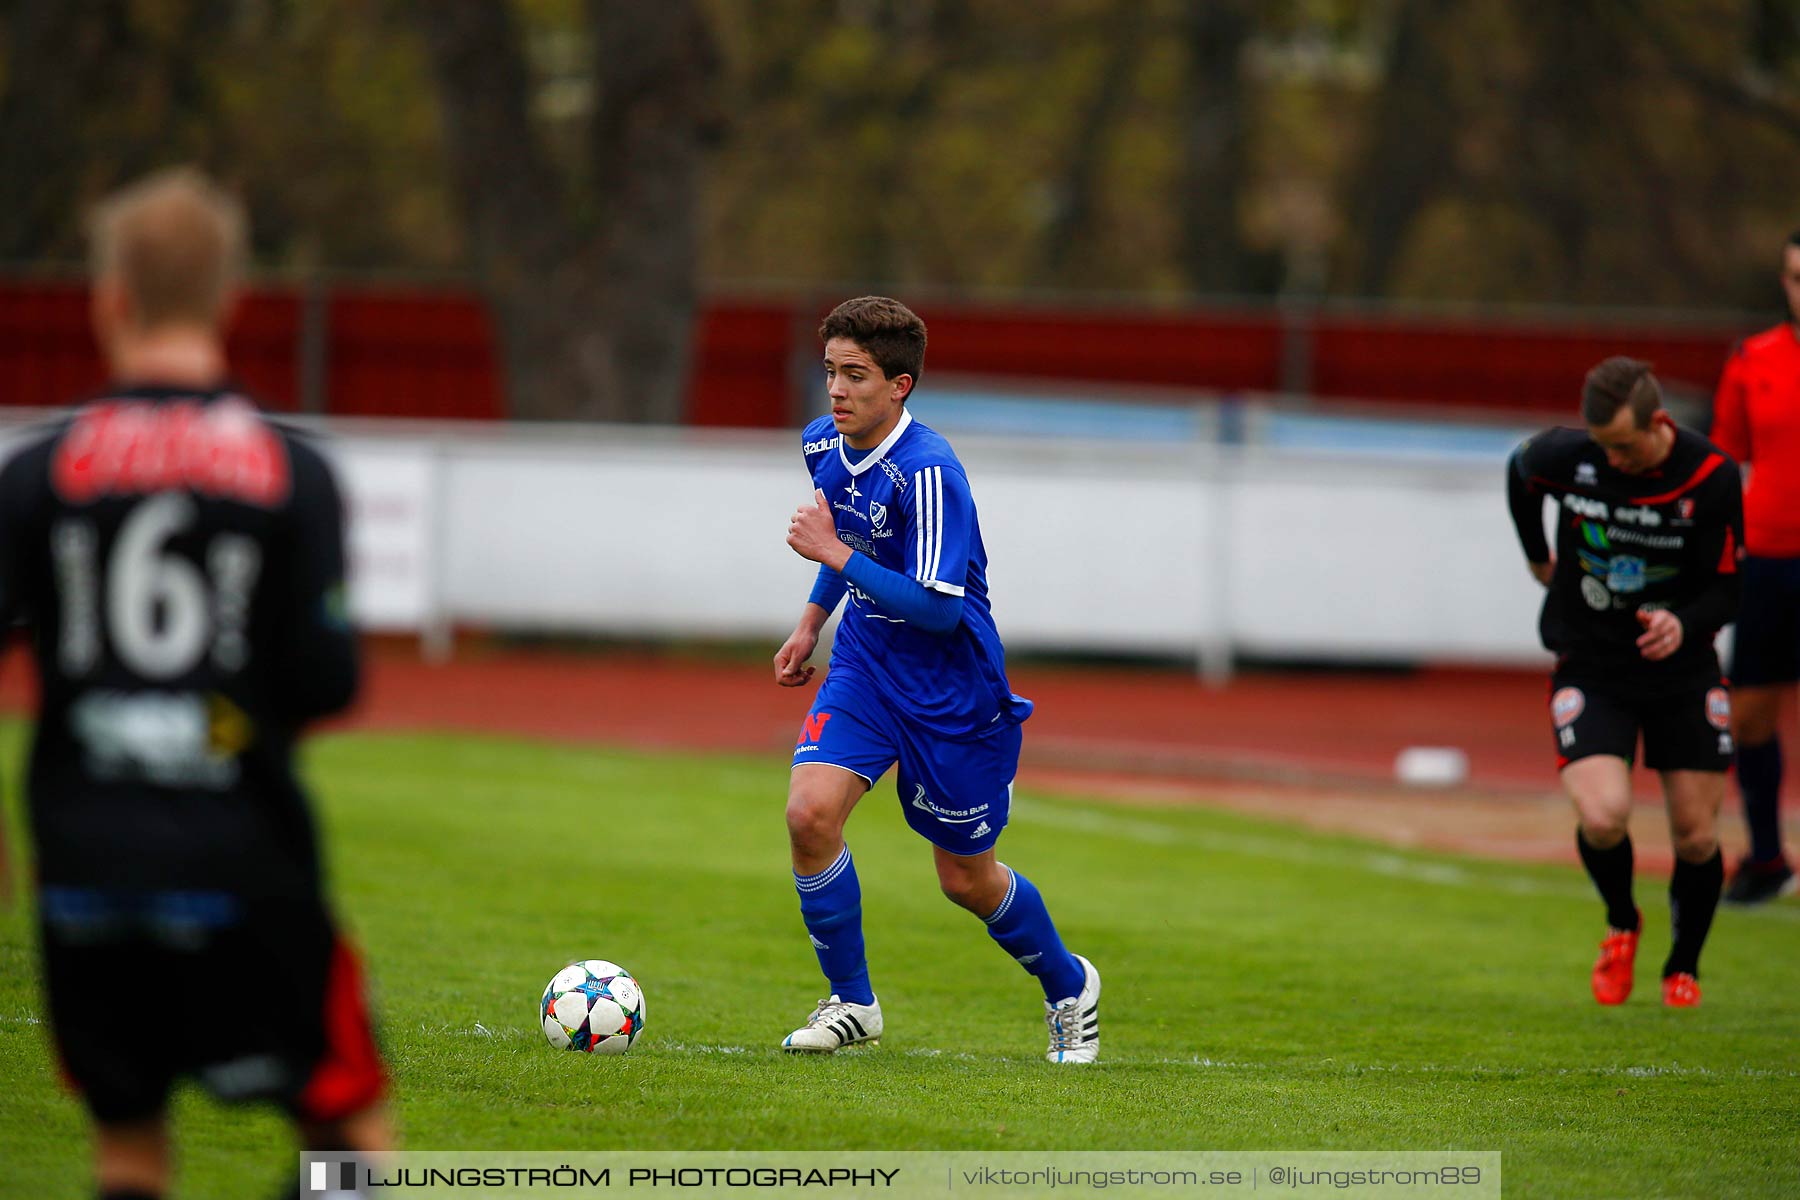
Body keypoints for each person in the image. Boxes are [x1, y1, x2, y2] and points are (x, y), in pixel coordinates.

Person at [0, 168, 388, 1199]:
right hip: (239, 850)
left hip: (81, 861)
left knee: (127, 1146)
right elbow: (328, 679)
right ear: (232, 300)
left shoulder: (35, 475)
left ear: (109, 297)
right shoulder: (290, 471)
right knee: (352, 1139)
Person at [773, 296, 1099, 1062]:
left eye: (856, 375)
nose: (837, 391)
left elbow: (937, 610)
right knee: (808, 816)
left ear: (901, 385)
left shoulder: (929, 473)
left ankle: (1068, 985)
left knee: (965, 880)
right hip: (865, 667)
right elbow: (846, 537)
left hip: (951, 689)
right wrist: (812, 622)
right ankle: (853, 1003)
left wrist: (834, 559)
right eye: (830, 372)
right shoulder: (823, 444)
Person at [1506, 357, 1744, 1008]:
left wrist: (1683, 621)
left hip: (1683, 670)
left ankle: (1683, 963)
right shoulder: (1568, 456)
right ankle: (1621, 921)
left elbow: (1730, 586)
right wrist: (1537, 554)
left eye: (1625, 445)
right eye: (1602, 446)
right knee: (1605, 815)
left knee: (1695, 834)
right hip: (1592, 662)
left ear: (1658, 422)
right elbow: (1519, 471)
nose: (1613, 461)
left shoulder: (1712, 476)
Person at [1708, 231, 1800, 905]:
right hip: (1768, 556)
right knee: (1750, 716)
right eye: (1797, 277)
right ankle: (1767, 857)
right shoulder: (1753, 359)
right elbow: (1722, 460)